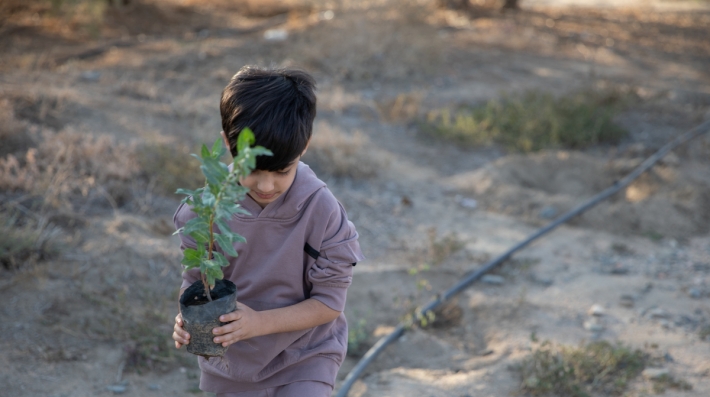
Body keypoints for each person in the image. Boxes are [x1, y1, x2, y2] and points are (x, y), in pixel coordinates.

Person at [171, 66, 364, 397]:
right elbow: (197, 282)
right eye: (253, 169)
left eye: (281, 171)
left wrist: (259, 323)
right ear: (227, 145)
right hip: (231, 365)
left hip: (305, 357)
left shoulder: (322, 211)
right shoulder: (203, 213)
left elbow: (330, 303)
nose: (266, 185)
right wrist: (186, 320)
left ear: (304, 146)